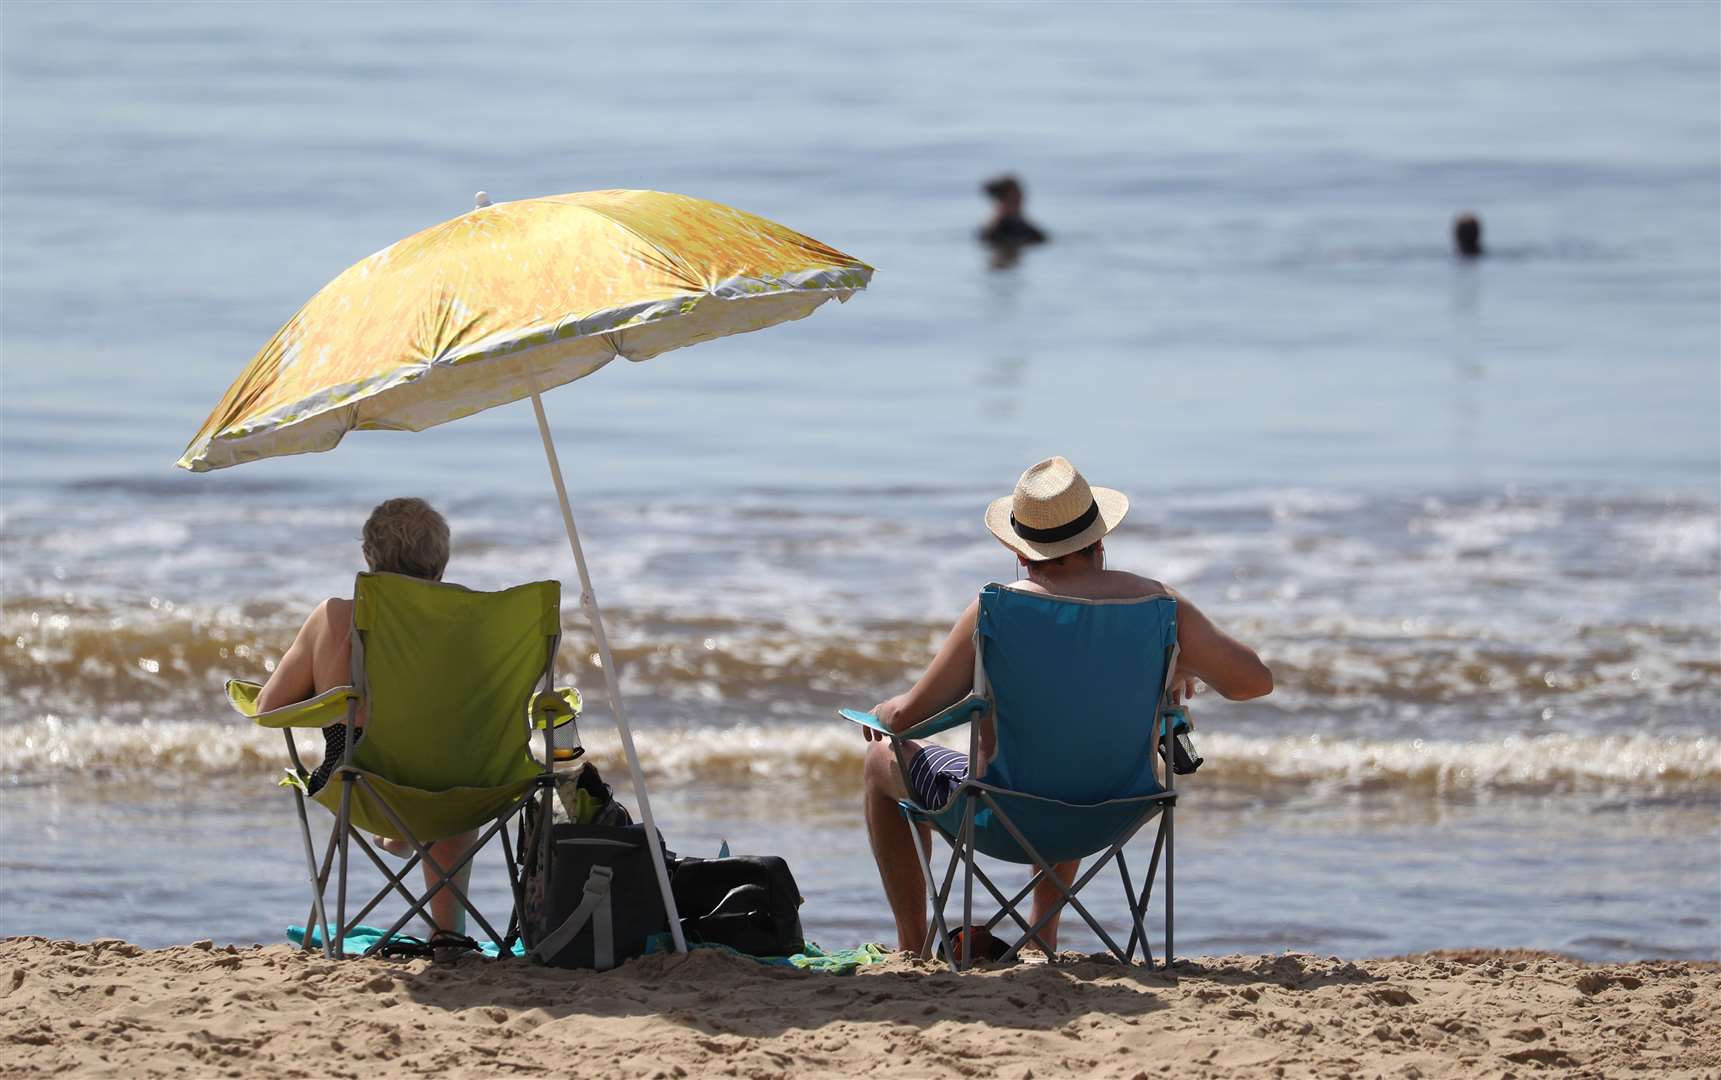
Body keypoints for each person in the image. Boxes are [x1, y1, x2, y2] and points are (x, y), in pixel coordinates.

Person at [861, 457, 1273, 955]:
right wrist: (1180, 662)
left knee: (882, 758)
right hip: (1112, 812)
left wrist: (885, 714)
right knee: (1076, 748)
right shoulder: (1161, 608)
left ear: (1019, 550)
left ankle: (910, 947)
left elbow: (909, 718)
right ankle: (1044, 936)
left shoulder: (996, 608)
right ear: (1099, 541)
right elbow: (1254, 682)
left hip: (1004, 813)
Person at [255, 496, 477, 941]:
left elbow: (269, 709)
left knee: (409, 769)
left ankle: (402, 830)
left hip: (360, 783)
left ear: (368, 558)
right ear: (442, 566)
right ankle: (448, 934)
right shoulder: (474, 619)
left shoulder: (336, 617)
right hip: (464, 785)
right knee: (452, 780)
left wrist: (329, 689)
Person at [979, 174, 1048, 267]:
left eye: (1019, 196)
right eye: (1015, 197)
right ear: (1002, 200)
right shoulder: (994, 228)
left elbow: (1042, 240)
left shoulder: (1025, 226)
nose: (1021, 200)